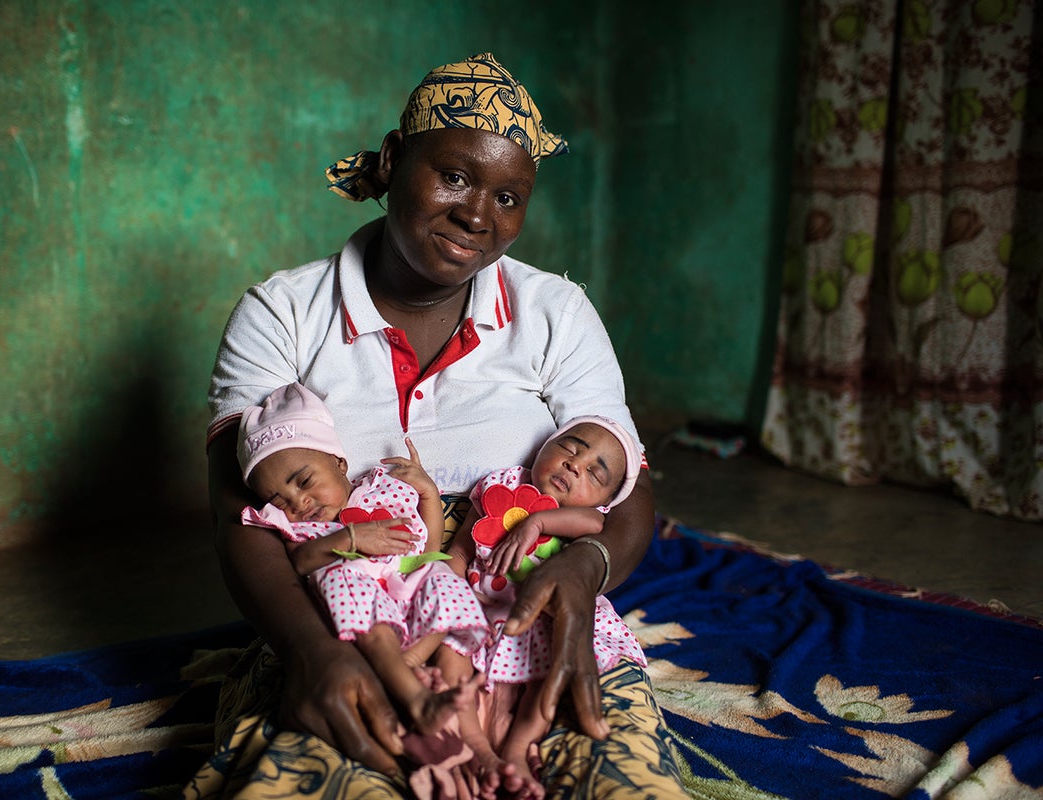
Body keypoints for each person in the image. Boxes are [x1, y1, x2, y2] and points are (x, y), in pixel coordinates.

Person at [190, 52, 687, 799]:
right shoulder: (282, 315)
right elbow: (240, 513)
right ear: (393, 161)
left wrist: (587, 567)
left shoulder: (556, 313)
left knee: (612, 773)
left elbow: (629, 488)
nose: (478, 216)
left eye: (509, 196)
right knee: (329, 772)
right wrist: (308, 652)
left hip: (522, 610)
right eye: (453, 176)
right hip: (350, 614)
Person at [236, 382, 487, 734]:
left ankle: (414, 669)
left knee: (445, 577)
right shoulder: (303, 530)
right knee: (346, 580)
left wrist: (427, 492)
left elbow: (424, 546)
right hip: (361, 615)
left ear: (340, 463)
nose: (298, 502)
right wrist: (349, 538)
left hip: (410, 586)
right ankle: (415, 697)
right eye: (280, 501)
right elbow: (302, 562)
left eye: (305, 480)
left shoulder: (382, 488)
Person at [442, 415, 650, 798]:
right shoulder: (499, 485)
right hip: (481, 607)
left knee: (549, 679)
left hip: (541, 617)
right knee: (447, 656)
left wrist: (537, 522)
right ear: (543, 447)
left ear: (606, 500)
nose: (574, 465)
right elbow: (461, 547)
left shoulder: (588, 515)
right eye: (569, 449)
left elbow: (592, 525)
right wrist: (449, 589)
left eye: (594, 474)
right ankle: (475, 744)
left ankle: (519, 747)